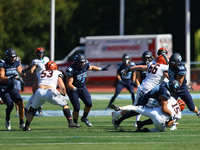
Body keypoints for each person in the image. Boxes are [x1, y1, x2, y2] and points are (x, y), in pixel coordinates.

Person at [23, 61, 80, 131]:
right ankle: (71, 123)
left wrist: (36, 95)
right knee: (65, 105)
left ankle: (26, 126)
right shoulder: (57, 72)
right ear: (55, 67)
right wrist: (63, 93)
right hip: (50, 92)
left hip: (39, 91)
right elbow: (61, 85)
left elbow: (34, 87)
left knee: (32, 109)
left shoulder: (41, 72)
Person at [119, 50, 169, 127]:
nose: (147, 60)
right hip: (148, 89)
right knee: (144, 107)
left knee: (138, 107)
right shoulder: (163, 67)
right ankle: (165, 120)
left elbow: (140, 67)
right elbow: (168, 76)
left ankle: (119, 117)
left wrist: (128, 69)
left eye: (148, 58)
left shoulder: (151, 64)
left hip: (147, 88)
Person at [111, 79, 181, 132]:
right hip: (148, 101)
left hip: (151, 99)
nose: (174, 92)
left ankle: (139, 123)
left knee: (154, 114)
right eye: (174, 90)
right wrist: (172, 115)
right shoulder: (165, 91)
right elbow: (164, 108)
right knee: (136, 111)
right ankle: (118, 119)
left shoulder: (165, 84)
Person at [66, 53, 110, 127]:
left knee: (89, 104)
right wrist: (76, 89)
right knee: (76, 107)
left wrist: (101, 69)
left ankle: (84, 118)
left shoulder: (85, 64)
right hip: (73, 90)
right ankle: (75, 123)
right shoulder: (71, 69)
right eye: (81, 62)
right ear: (76, 62)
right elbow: (68, 85)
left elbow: (91, 67)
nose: (83, 64)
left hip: (82, 87)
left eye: (83, 62)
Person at [0, 49, 26, 130]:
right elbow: (1, 78)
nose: (13, 59)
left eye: (14, 57)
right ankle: (7, 119)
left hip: (11, 87)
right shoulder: (3, 63)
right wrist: (9, 77)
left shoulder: (16, 62)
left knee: (21, 103)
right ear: (7, 57)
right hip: (3, 87)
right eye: (11, 57)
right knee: (10, 105)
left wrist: (24, 72)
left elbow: (21, 72)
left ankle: (22, 122)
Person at [168, 53, 200, 117]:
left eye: (174, 63)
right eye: (171, 63)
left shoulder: (181, 69)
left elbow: (178, 83)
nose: (172, 65)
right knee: (169, 106)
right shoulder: (169, 65)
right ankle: (171, 122)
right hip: (172, 87)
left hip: (181, 89)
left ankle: (198, 112)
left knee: (192, 108)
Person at [23, 47, 50, 116]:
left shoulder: (47, 59)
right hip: (40, 80)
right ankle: (26, 109)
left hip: (47, 79)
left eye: (41, 53)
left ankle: (39, 107)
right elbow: (31, 70)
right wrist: (29, 70)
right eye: (39, 53)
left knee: (45, 94)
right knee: (37, 95)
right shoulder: (35, 61)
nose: (40, 55)